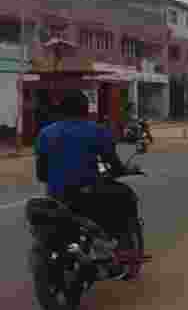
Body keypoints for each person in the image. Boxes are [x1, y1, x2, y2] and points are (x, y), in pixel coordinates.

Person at [35, 90, 137, 240]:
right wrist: (124, 170)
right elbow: (113, 163)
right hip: (88, 194)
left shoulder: (45, 133)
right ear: (86, 110)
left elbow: (41, 174)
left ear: (61, 110)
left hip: (56, 195)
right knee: (125, 195)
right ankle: (123, 243)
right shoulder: (97, 131)